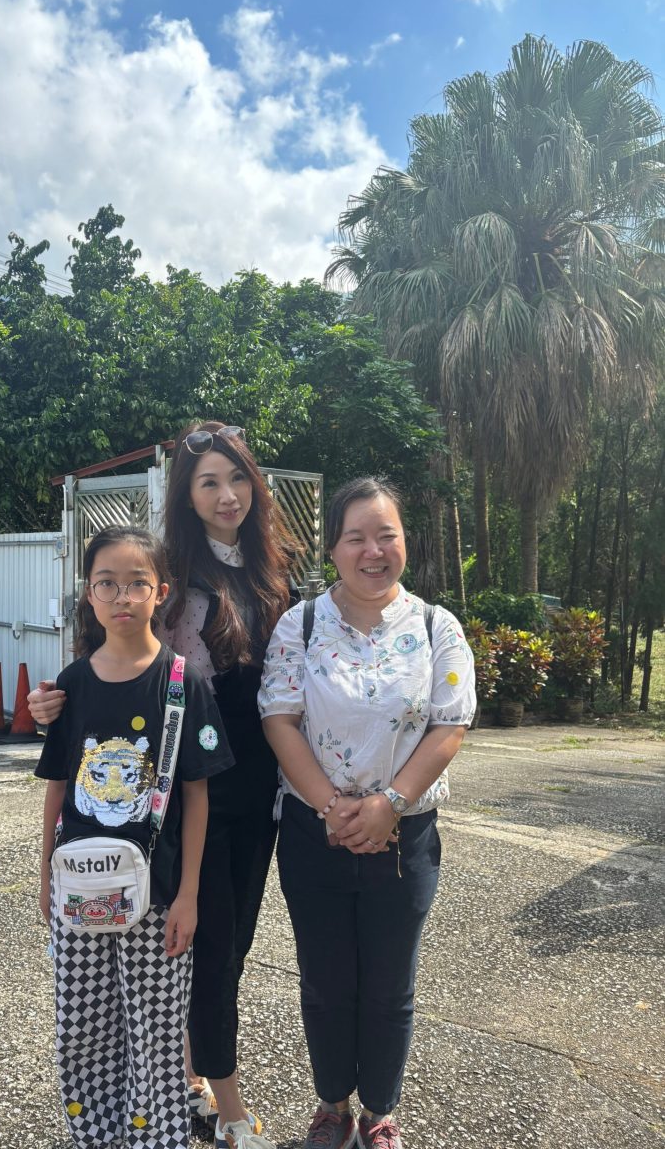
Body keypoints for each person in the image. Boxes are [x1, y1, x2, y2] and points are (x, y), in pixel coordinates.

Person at [30, 421, 295, 1149]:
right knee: (207, 949)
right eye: (209, 482)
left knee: (232, 945)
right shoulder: (169, 571)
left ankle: (187, 1078)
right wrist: (54, 700)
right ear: (186, 494)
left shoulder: (270, 570)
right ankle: (227, 1107)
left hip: (259, 786)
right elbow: (112, 658)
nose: (226, 494)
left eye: (237, 478)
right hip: (187, 798)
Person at [258, 477, 475, 1149]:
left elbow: (450, 725)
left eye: (387, 536)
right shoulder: (300, 625)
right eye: (356, 537)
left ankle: (379, 1112)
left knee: (389, 986)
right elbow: (279, 719)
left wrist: (389, 805)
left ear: (405, 542)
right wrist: (332, 807)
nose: (372, 551)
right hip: (312, 833)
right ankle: (332, 1107)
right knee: (325, 982)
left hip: (405, 838)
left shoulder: (437, 627)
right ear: (333, 548)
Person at [36, 525, 234, 1149]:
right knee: (82, 1025)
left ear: (160, 593)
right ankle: (94, 1135)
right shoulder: (72, 683)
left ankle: (156, 1138)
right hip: (79, 889)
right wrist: (43, 876)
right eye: (106, 584)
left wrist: (189, 896)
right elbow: (59, 786)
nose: (121, 596)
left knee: (156, 1030)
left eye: (136, 583)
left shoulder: (182, 682)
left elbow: (198, 797)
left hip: (159, 893)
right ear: (88, 594)